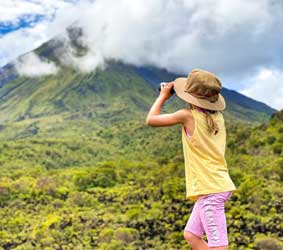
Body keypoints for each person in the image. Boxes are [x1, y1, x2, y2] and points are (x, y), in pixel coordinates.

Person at [146, 69, 236, 250]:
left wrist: (164, 96)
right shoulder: (218, 117)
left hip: (211, 189)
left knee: (219, 247)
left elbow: (151, 119)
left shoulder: (187, 116)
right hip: (216, 186)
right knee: (191, 235)